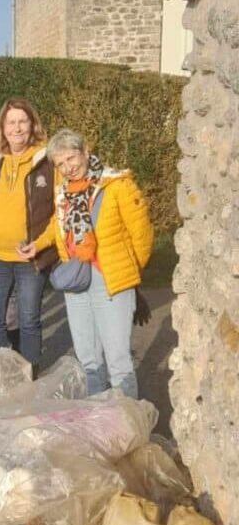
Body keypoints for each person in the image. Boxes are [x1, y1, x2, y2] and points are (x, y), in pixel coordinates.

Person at [47, 128, 153, 397]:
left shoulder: (117, 186)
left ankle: (126, 415)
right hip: (77, 280)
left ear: (85, 152)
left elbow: (142, 234)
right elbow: (57, 230)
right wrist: (37, 246)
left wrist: (129, 272)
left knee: (118, 360)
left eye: (71, 158)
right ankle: (97, 413)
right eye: (61, 164)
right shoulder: (63, 195)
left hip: (111, 280)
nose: (68, 167)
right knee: (88, 360)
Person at [0, 97, 58, 374]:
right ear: (2, 127)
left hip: (30, 259)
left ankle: (30, 374)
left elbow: (60, 213)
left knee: (29, 319)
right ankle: (3, 371)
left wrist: (40, 244)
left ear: (32, 125)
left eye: (22, 121)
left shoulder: (47, 162)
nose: (17, 128)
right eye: (11, 122)